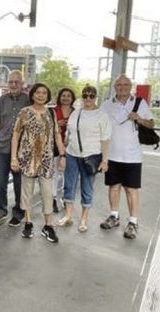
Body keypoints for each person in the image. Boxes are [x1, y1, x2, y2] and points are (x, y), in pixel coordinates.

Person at [100, 74, 154, 239]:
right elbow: (98, 125)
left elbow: (152, 124)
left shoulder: (139, 103)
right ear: (115, 87)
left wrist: (139, 118)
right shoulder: (106, 105)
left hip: (132, 155)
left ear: (130, 87)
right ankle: (114, 216)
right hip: (112, 154)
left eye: (125, 84)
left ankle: (133, 222)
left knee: (131, 189)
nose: (122, 87)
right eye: (119, 85)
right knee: (114, 187)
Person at [10, 83, 65, 243]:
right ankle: (28, 223)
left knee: (48, 193)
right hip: (27, 158)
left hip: (47, 159)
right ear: (32, 95)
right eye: (38, 92)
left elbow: (57, 135)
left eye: (44, 93)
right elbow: (16, 135)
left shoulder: (51, 113)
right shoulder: (24, 112)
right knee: (26, 192)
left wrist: (63, 155)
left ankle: (48, 226)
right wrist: (14, 157)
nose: (41, 95)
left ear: (47, 96)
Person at [58, 85, 111, 232]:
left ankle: (84, 219)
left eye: (91, 95)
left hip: (91, 156)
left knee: (87, 187)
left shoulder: (102, 115)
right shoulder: (76, 113)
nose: (88, 98)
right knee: (69, 185)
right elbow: (69, 132)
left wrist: (105, 160)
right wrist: (64, 151)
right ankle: (68, 215)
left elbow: (105, 140)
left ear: (95, 97)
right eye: (85, 95)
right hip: (71, 154)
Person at [0, 70, 30, 226]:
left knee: (19, 183)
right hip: (2, 148)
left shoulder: (28, 101)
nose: (13, 85)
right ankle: (0, 210)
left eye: (16, 82)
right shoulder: (1, 101)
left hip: (21, 150)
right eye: (10, 82)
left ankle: (18, 213)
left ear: (22, 84)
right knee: (0, 182)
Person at [52, 88, 75, 213]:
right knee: (55, 173)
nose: (66, 98)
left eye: (68, 96)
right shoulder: (53, 111)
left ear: (72, 99)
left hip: (71, 146)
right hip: (55, 146)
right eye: (63, 95)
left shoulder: (76, 112)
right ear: (60, 97)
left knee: (68, 174)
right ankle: (53, 198)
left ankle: (66, 198)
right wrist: (57, 124)